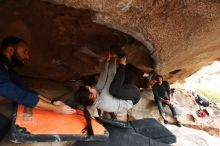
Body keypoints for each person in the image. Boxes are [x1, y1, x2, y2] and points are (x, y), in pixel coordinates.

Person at [0, 36, 75, 140]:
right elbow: (20, 95)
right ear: (10, 50)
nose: (27, 57)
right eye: (24, 52)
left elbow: (23, 89)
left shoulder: (6, 68)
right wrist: (56, 109)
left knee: (4, 121)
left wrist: (52, 103)